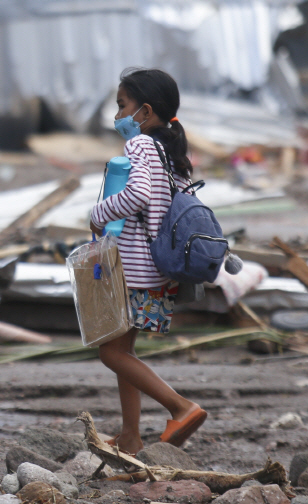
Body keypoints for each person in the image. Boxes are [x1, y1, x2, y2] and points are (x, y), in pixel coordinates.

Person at [88, 68, 207, 454]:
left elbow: (137, 195)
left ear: (146, 112)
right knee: (125, 352)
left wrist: (99, 213)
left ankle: (181, 407)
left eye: (122, 105)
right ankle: (131, 436)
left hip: (134, 269)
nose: (117, 115)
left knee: (112, 352)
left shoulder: (141, 146)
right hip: (157, 271)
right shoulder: (170, 152)